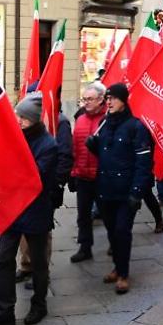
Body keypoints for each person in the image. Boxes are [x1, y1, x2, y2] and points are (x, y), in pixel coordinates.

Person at [0, 93, 58, 325]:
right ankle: (4, 311)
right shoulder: (12, 138)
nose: (19, 120)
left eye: (24, 117)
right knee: (4, 261)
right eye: (18, 115)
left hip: (35, 212)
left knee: (38, 262)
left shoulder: (48, 144)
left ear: (34, 119)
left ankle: (39, 304)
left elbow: (35, 179)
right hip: (10, 212)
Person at [85, 83, 152, 295]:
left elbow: (143, 162)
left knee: (123, 232)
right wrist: (94, 146)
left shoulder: (135, 127)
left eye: (114, 98)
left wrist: (137, 192)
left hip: (126, 192)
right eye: (108, 99)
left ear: (124, 101)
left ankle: (123, 274)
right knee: (112, 232)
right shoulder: (105, 124)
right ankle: (117, 266)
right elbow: (109, 156)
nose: (109, 102)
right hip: (105, 189)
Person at [18, 88, 73, 285]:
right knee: (24, 230)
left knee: (41, 233)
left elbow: (65, 155)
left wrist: (58, 183)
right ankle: (26, 265)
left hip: (46, 186)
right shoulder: (25, 128)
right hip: (25, 190)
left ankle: (41, 271)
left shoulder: (60, 122)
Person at [69, 82, 107, 262]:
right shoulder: (81, 119)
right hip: (83, 175)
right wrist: (73, 170)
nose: (86, 103)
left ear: (101, 100)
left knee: (109, 215)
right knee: (83, 216)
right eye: (84, 99)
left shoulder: (108, 119)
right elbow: (75, 146)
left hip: (102, 176)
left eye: (90, 99)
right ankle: (85, 247)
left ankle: (115, 245)